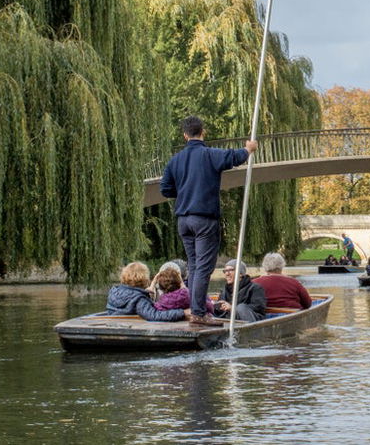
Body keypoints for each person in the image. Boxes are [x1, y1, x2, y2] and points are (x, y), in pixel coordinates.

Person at [160, 116, 257, 326]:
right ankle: (198, 312)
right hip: (204, 219)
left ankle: (197, 309)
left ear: (185, 135)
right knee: (203, 267)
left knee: (194, 266)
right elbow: (233, 157)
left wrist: (185, 191)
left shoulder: (174, 160)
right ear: (202, 132)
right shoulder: (209, 154)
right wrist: (248, 149)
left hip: (183, 220)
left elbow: (165, 189)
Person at [106, 262, 186, 322]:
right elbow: (154, 315)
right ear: (144, 278)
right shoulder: (139, 299)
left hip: (115, 324)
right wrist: (182, 313)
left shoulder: (114, 292)